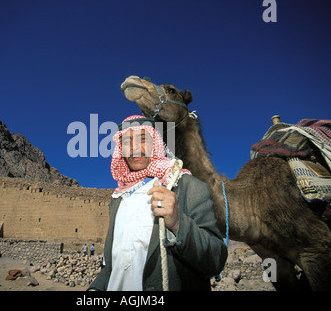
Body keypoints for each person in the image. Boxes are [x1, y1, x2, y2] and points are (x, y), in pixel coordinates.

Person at [89, 115, 227, 291]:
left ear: (155, 142)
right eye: (127, 141)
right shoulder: (118, 199)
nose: (134, 147)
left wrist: (178, 223)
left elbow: (216, 259)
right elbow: (112, 264)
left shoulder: (187, 187)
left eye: (143, 138)